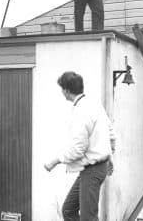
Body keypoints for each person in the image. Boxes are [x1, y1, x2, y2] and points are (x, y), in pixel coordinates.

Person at [44, 71, 114, 221]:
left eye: (61, 88)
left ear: (66, 90)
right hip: (92, 168)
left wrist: (55, 161)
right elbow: (111, 132)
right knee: (69, 210)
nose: (62, 92)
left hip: (92, 170)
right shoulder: (94, 104)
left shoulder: (81, 111)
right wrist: (109, 155)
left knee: (88, 218)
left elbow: (78, 149)